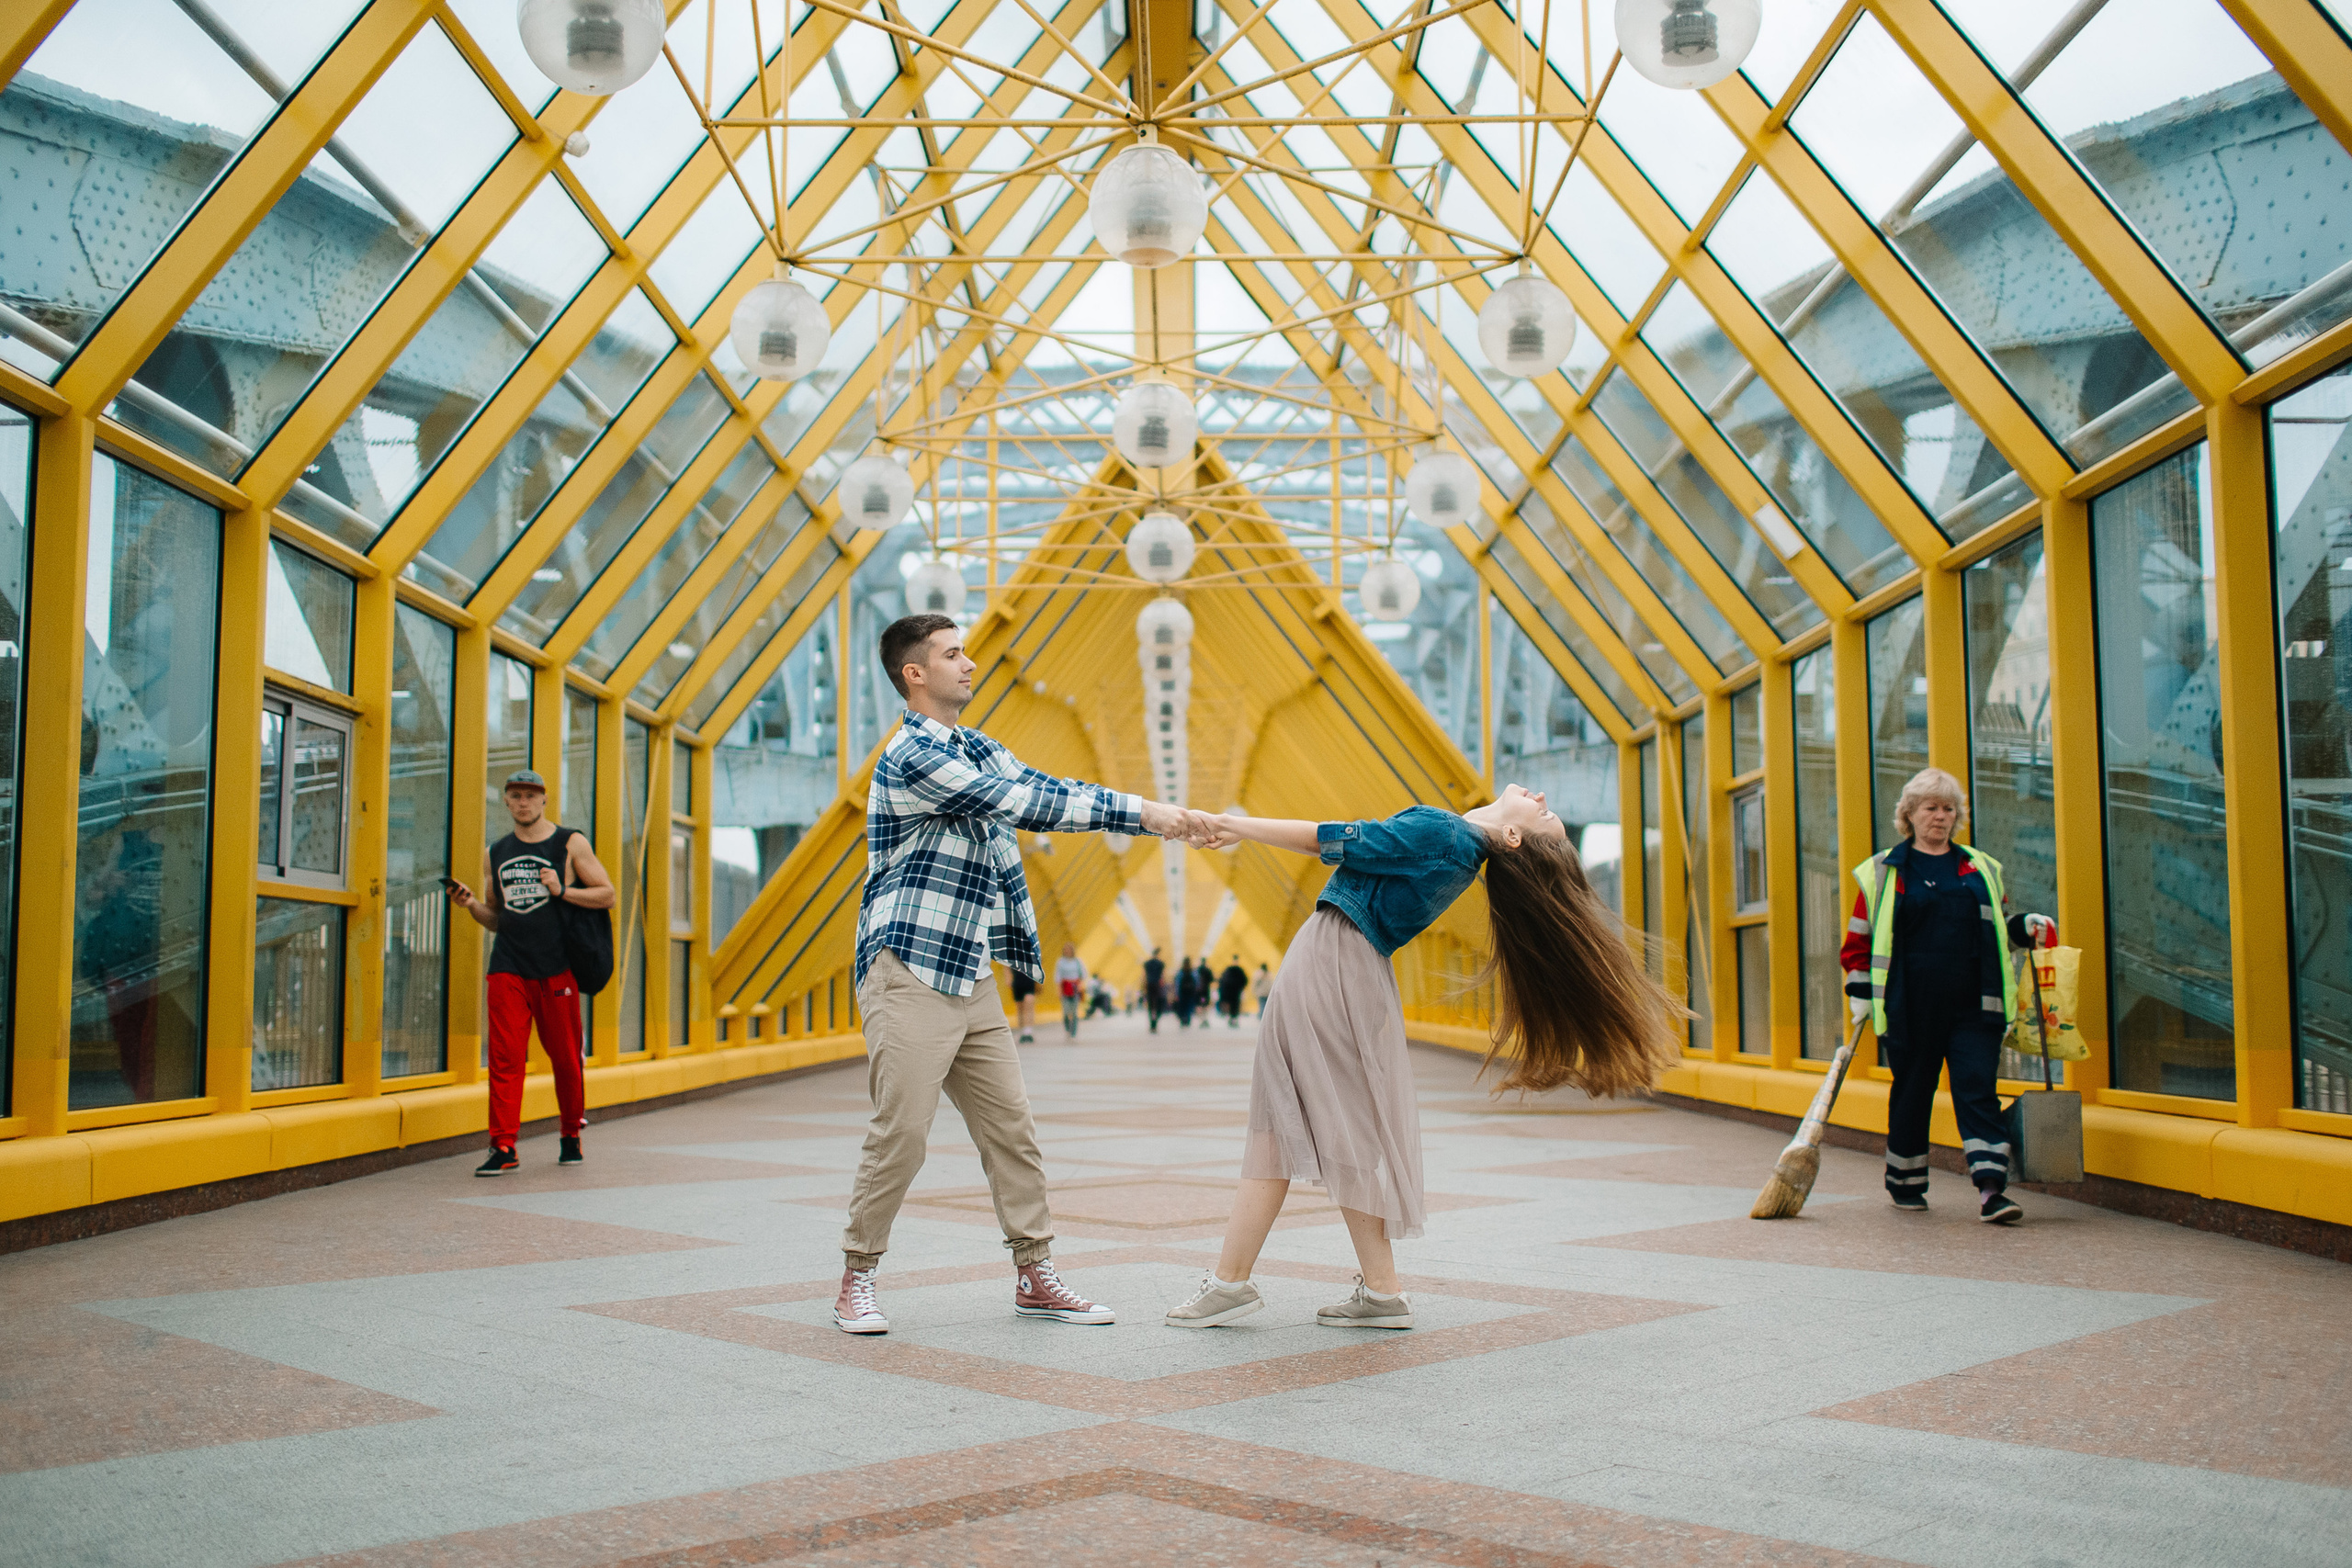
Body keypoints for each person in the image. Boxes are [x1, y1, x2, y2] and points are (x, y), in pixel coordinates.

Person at [1167, 788, 1679, 1330]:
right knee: (1333, 1129)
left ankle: (1233, 1282)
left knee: (1279, 1122)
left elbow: (1333, 838)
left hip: (1329, 963)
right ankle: (1373, 1292)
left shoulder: (1447, 835)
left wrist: (1235, 825)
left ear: (1513, 837)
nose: (1544, 797)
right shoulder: (1459, 852)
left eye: (1545, 814)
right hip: (1351, 968)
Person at [834, 614, 1208, 1335]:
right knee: (902, 1133)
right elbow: (1021, 804)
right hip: (908, 967)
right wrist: (1149, 814)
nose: (968, 663)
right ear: (915, 674)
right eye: (952, 654)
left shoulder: (978, 747)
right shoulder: (911, 755)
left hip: (968, 971)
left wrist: (1148, 813)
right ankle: (857, 1276)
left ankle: (1034, 1273)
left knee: (1012, 1130)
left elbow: (1045, 783)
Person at [1841, 767, 2053, 1226]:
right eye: (1930, 808)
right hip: (1910, 1008)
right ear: (1909, 815)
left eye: (1948, 808)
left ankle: (1992, 1188)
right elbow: (1858, 942)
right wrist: (1860, 993)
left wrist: (2027, 925)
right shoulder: (1883, 871)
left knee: (1977, 1092)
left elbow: (2001, 928)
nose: (1940, 817)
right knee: (1913, 1094)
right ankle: (1906, 1182)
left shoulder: (1981, 868)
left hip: (1976, 1007)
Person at [447, 770, 616, 1177]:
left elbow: (607, 894)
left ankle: (571, 1133)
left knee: (565, 1060)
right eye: (515, 796)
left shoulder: (569, 842)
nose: (523, 802)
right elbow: (498, 919)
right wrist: (471, 906)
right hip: (508, 968)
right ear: (506, 801)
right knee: (505, 1060)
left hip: (557, 969)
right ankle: (503, 1145)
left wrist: (563, 891)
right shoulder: (496, 852)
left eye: (530, 796)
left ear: (544, 801)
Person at [1055, 942, 1086, 1038]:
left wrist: (1080, 985)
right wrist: (1059, 990)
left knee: (1074, 1011)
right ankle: (1067, 1027)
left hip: (1075, 988)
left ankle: (1073, 1031)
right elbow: (1058, 976)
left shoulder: (1078, 962)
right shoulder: (1060, 962)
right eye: (1065, 950)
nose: (1067, 951)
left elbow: (1083, 974)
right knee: (1066, 1011)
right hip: (1065, 988)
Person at [1009, 967, 1038, 1044]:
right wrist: (1008, 977)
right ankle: (1022, 1031)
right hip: (1017, 980)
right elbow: (1006, 964)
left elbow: (1038, 964)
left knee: (1029, 1005)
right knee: (1020, 1008)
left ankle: (1028, 1031)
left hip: (1029, 979)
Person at [1142, 948, 1168, 1032]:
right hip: (1158, 987)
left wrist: (1144, 988)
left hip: (1149, 986)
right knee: (1158, 1005)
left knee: (1151, 1005)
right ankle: (1155, 1022)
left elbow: (1144, 976)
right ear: (1158, 954)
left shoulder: (1147, 963)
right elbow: (1163, 977)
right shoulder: (1161, 964)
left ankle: (1152, 1024)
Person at [1217, 955, 1248, 1027]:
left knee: (1230, 1006)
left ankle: (1231, 1019)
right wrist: (1241, 987)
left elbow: (1222, 981)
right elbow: (1245, 980)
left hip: (1229, 993)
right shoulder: (1240, 970)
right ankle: (1234, 1019)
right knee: (1235, 1006)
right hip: (1236, 992)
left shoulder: (1228, 970)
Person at [1173, 955, 1198, 1027]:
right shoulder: (1193, 971)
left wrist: (1176, 993)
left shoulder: (1181, 971)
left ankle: (1182, 1019)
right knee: (1189, 1005)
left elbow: (1177, 983)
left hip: (1182, 992)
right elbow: (1196, 981)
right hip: (1190, 992)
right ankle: (1187, 1019)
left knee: (1182, 1006)